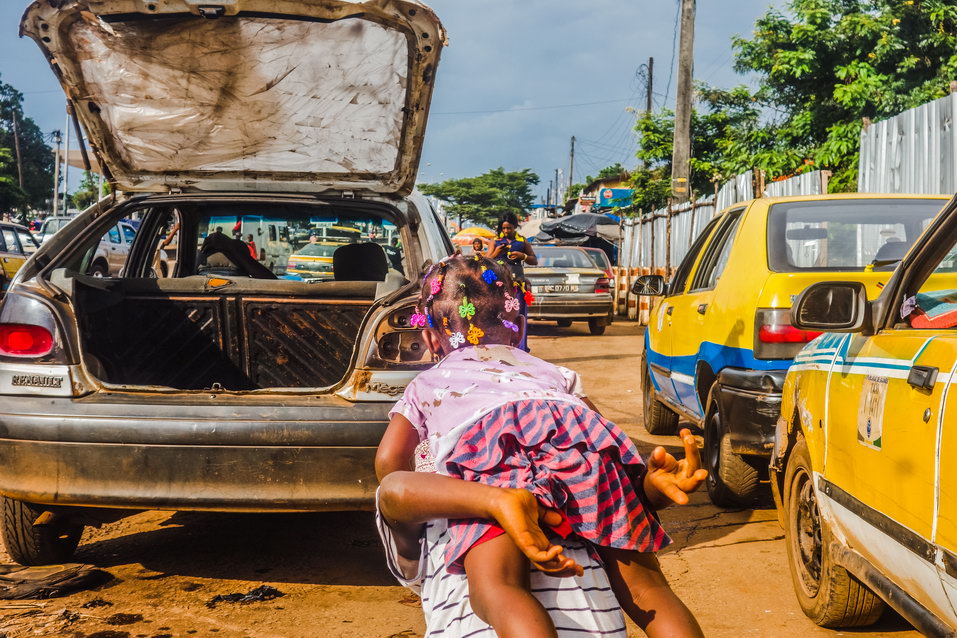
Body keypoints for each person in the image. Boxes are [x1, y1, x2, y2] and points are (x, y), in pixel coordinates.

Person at [376, 254, 706, 638]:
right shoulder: (555, 375)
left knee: (498, 589)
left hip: (490, 456)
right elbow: (598, 443)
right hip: (573, 438)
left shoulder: (429, 382)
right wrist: (647, 488)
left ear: (431, 338)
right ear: (518, 328)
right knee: (649, 590)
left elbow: (389, 465)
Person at [487, 213, 536, 351]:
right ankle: (500, 347)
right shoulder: (495, 241)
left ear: (515, 227)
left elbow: (534, 260)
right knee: (499, 316)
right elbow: (486, 260)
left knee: (519, 316)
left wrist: (523, 256)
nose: (506, 231)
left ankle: (520, 349)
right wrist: (496, 252)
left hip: (517, 285)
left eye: (509, 228)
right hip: (498, 287)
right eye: (504, 228)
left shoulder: (522, 241)